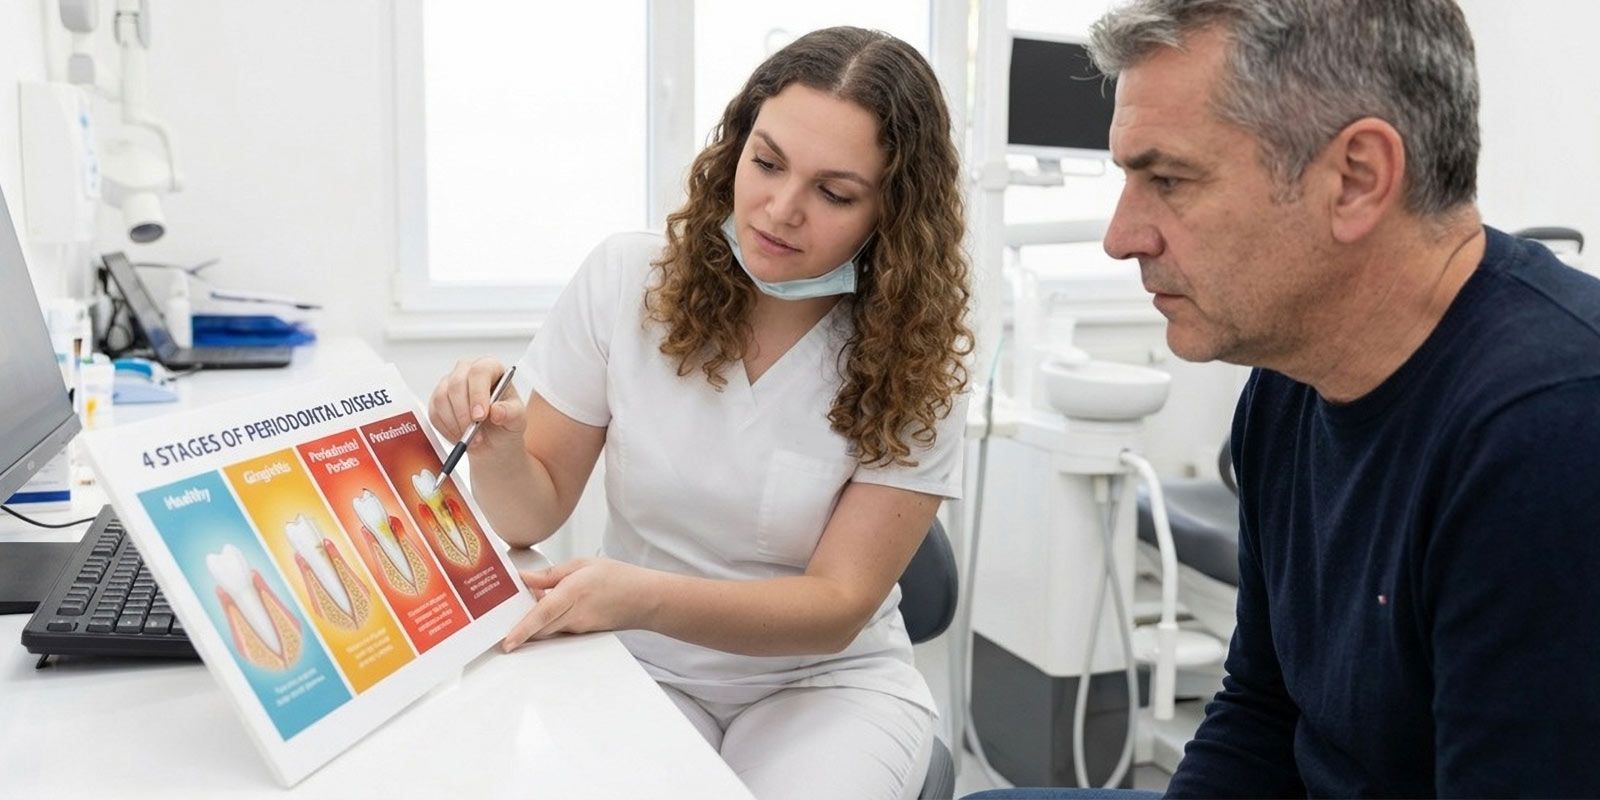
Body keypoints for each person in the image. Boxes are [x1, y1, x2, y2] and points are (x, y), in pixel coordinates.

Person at [968, 0, 1600, 798]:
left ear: (1357, 179)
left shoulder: (1554, 433)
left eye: (1168, 179)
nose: (1122, 236)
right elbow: (1262, 713)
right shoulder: (1288, 386)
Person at [428, 27, 972, 800]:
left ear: (893, 212)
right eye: (767, 162)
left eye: (834, 192)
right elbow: (525, 519)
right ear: (735, 149)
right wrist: (499, 445)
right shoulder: (628, 282)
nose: (781, 209)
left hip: (824, 684)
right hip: (639, 662)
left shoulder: (919, 359)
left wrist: (642, 595)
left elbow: (834, 607)